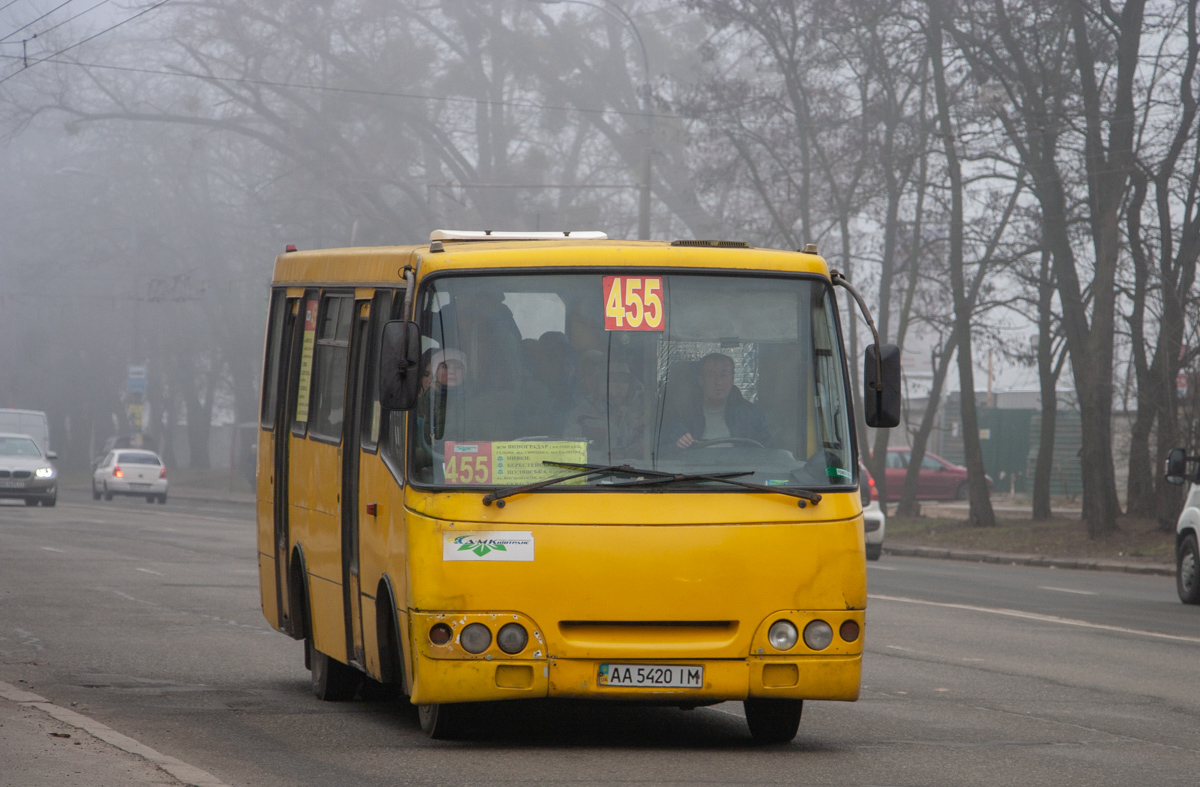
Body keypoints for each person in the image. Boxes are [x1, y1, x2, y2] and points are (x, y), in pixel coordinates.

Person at [666, 353, 772, 449]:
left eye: (724, 375)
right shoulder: (683, 414)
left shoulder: (752, 415)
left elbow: (767, 452)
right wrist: (677, 445)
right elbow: (663, 452)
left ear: (732, 380)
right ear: (701, 380)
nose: (718, 382)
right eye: (711, 374)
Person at [564, 352, 643, 459]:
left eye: (623, 380)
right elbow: (570, 453)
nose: (617, 387)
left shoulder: (643, 411)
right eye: (611, 381)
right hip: (596, 473)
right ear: (597, 383)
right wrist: (602, 457)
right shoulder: (581, 414)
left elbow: (664, 447)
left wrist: (645, 447)